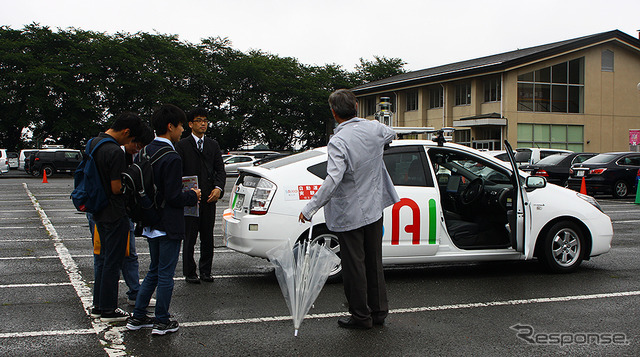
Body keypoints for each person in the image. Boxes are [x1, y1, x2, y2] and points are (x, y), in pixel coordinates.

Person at [299, 89, 399, 330]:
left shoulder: (339, 141)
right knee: (374, 262)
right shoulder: (374, 128)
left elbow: (333, 179)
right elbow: (391, 133)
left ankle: (361, 316)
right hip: (374, 207)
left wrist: (310, 207)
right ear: (356, 106)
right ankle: (378, 311)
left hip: (350, 213)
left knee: (355, 266)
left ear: (334, 112)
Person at [126, 104, 200, 336]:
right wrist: (192, 195)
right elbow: (173, 196)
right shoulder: (171, 156)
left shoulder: (145, 151)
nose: (182, 132)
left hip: (150, 220)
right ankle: (161, 320)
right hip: (168, 223)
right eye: (180, 127)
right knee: (166, 273)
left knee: (154, 271)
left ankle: (138, 317)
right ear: (171, 126)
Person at [87, 125, 155, 318]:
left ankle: (99, 304)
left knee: (102, 259)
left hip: (97, 208)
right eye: (137, 143)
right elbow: (117, 188)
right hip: (114, 212)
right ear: (128, 133)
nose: (136, 149)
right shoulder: (114, 151)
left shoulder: (94, 143)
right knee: (113, 261)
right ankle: (108, 307)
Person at [176, 108, 226, 284]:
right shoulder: (182, 145)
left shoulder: (213, 145)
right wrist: (186, 193)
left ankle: (206, 271)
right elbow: (179, 171)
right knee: (189, 237)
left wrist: (218, 188)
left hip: (209, 198)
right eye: (199, 120)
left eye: (205, 120)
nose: (203, 123)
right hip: (190, 198)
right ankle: (190, 272)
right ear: (190, 124)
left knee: (207, 236)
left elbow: (220, 170)